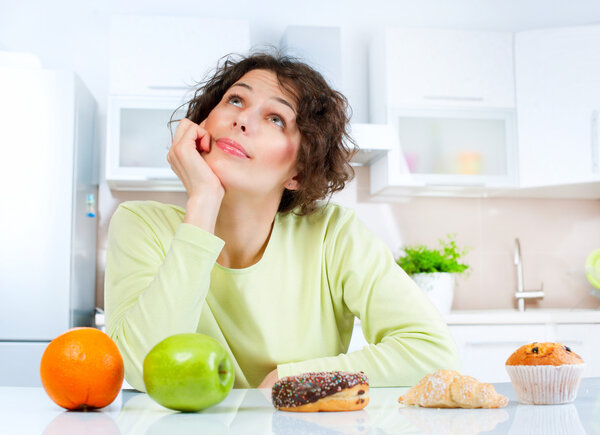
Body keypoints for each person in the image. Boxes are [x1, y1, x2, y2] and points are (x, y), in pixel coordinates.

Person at [104, 51, 460, 391]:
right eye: (235, 101)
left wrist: (295, 377)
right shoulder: (141, 225)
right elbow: (140, 368)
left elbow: (433, 352)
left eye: (276, 119)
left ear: (298, 174)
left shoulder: (332, 235)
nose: (241, 120)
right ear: (201, 125)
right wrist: (203, 201)